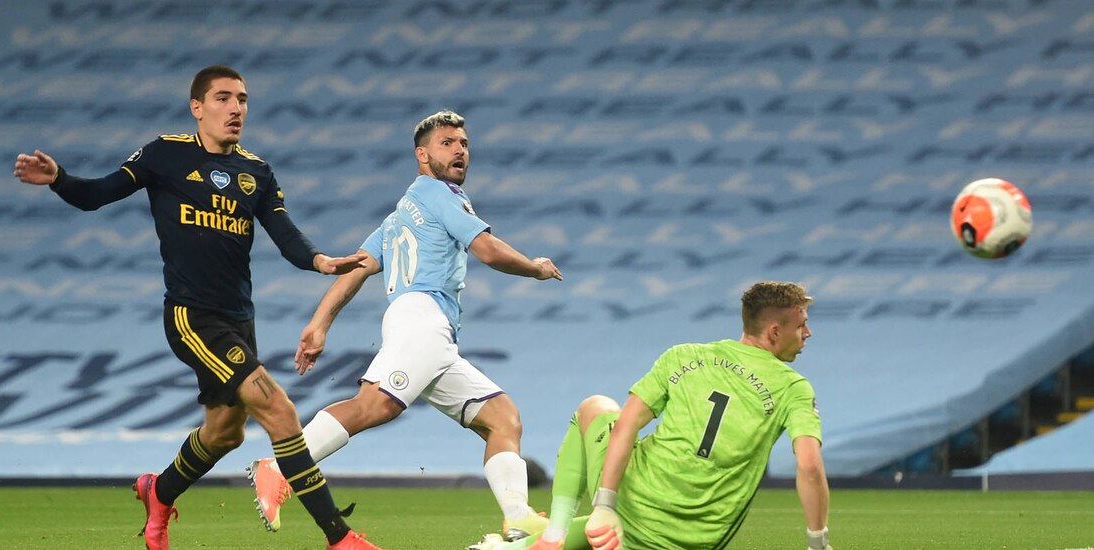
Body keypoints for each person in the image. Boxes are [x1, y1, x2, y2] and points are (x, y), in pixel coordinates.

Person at [13, 65, 379, 550]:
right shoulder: (164, 154)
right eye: (224, 98)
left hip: (239, 319)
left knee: (225, 434)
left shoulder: (256, 172)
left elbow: (285, 234)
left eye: (243, 100)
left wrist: (319, 261)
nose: (236, 109)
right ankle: (340, 538)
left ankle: (158, 492)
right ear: (197, 107)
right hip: (191, 316)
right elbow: (97, 194)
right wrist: (59, 178)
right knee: (279, 409)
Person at [246, 109, 563, 542]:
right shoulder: (441, 195)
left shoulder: (401, 214)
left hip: (430, 333)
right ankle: (280, 467)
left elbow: (356, 269)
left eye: (464, 144)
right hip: (422, 321)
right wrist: (536, 268)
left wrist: (319, 324)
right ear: (422, 154)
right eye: (447, 143)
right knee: (374, 406)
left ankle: (518, 517)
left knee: (501, 417)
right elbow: (487, 250)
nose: (459, 151)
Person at [470, 281, 831, 550]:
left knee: (595, 406)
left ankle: (550, 535)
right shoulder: (792, 387)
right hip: (697, 539)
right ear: (773, 332)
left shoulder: (684, 356)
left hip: (630, 507)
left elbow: (626, 424)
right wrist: (818, 543)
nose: (808, 333)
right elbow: (810, 466)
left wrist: (605, 505)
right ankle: (529, 543)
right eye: (801, 325)